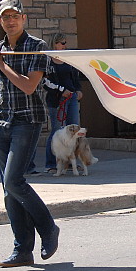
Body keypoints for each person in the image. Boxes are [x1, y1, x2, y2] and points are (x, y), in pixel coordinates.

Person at [0, 0, 60, 267]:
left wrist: (1, 64)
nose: (10, 21)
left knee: (14, 181)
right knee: (8, 191)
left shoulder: (36, 47)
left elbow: (29, 86)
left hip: (27, 121)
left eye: (15, 16)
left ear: (23, 18)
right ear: (0, 21)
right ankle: (22, 250)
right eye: (5, 17)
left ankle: (48, 229)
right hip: (1, 125)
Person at [42, 32, 83, 174]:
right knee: (56, 131)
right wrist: (60, 90)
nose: (65, 46)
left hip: (71, 97)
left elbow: (75, 77)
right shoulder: (47, 60)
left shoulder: (68, 59)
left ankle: (72, 163)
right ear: (55, 43)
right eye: (62, 43)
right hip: (56, 99)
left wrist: (77, 89)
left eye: (65, 43)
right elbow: (45, 82)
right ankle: (51, 163)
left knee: (74, 131)